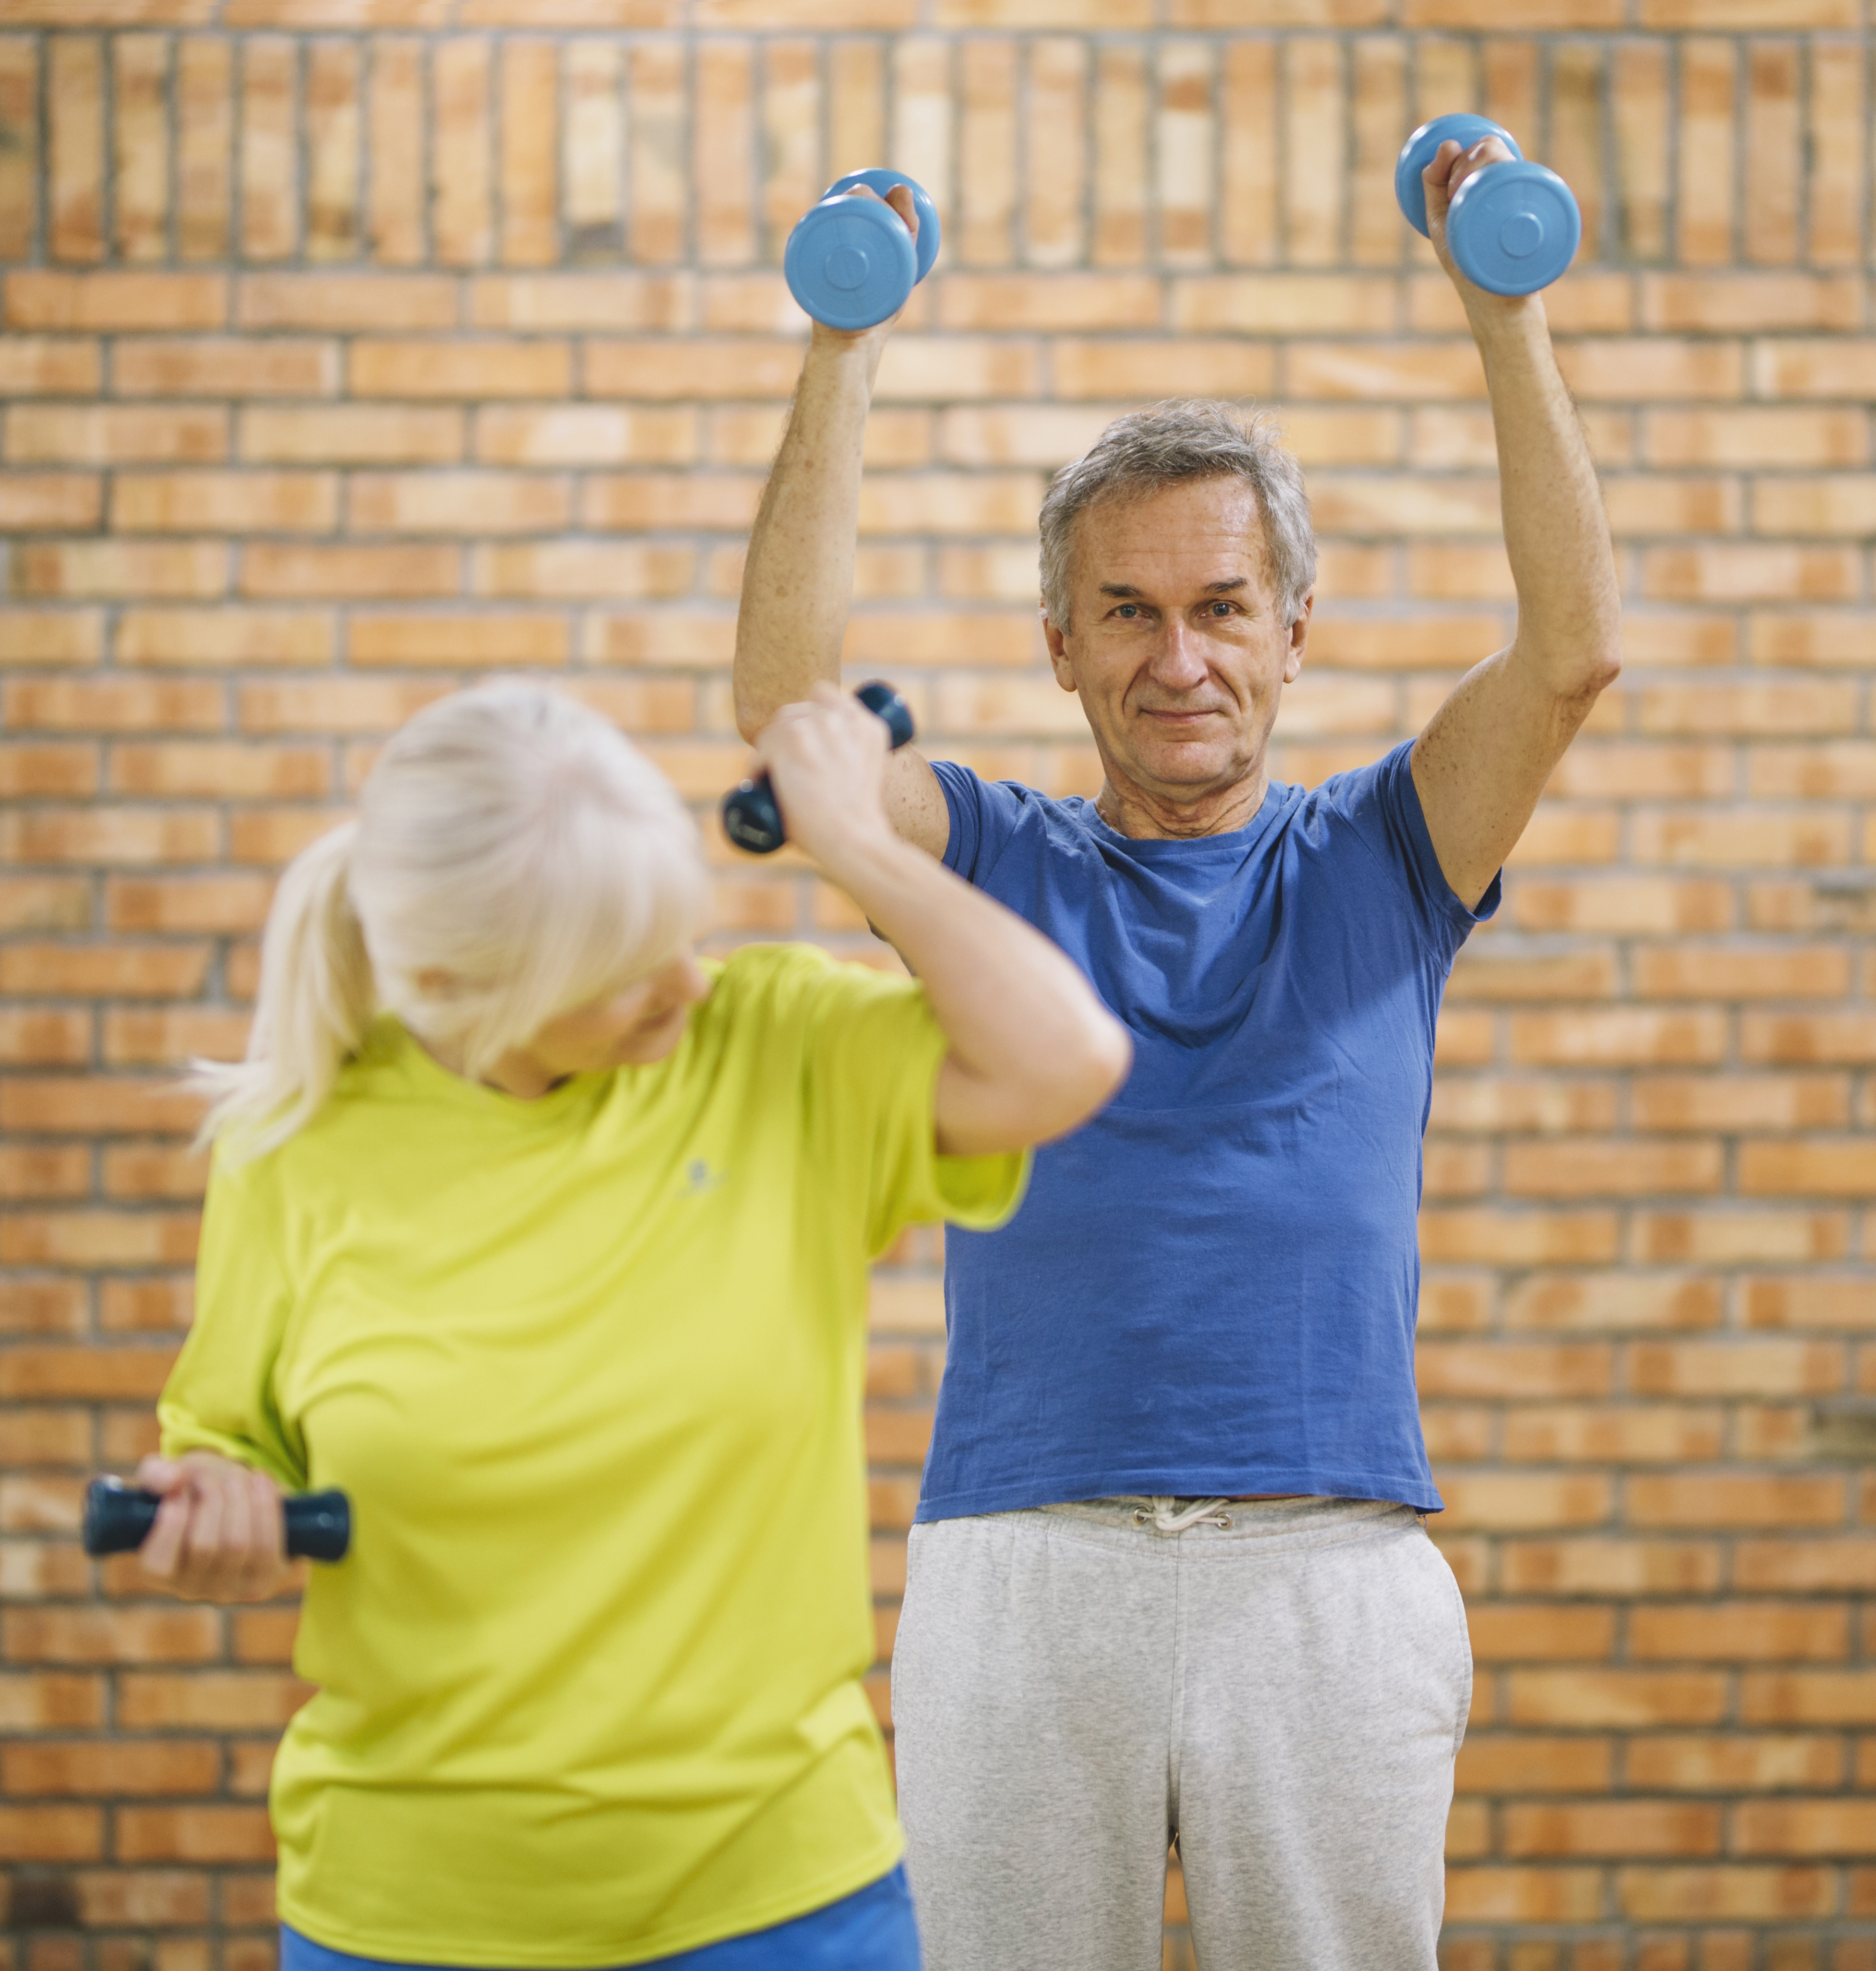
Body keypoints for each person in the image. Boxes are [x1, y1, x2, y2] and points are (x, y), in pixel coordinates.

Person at [732, 140, 1620, 1971]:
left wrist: (1500, 310)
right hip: (1020, 1557)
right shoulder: (984, 859)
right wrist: (842, 348)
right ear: (1057, 645)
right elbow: (788, 720)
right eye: (1125, 612)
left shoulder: (1390, 853)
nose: (1177, 656)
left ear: (1295, 631)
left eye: (1219, 607)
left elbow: (1570, 654)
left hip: (1325, 1569)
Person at [127, 679, 1129, 1971]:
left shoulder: (772, 1049)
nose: (683, 986)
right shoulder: (297, 1150)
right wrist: (215, 1504)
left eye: (679, 931)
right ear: (453, 985)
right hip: (409, 1914)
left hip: (780, 1903)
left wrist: (858, 841)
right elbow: (227, 1441)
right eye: (618, 974)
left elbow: (1068, 1059)